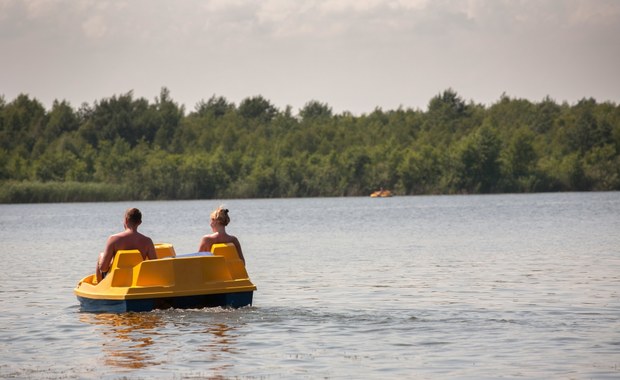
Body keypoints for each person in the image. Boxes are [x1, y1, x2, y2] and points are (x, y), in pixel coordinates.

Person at [96, 208, 157, 282]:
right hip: (137, 279)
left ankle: (99, 286)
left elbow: (103, 268)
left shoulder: (113, 239)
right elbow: (155, 266)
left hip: (115, 280)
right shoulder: (147, 241)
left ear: (126, 220)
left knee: (101, 255)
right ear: (140, 222)